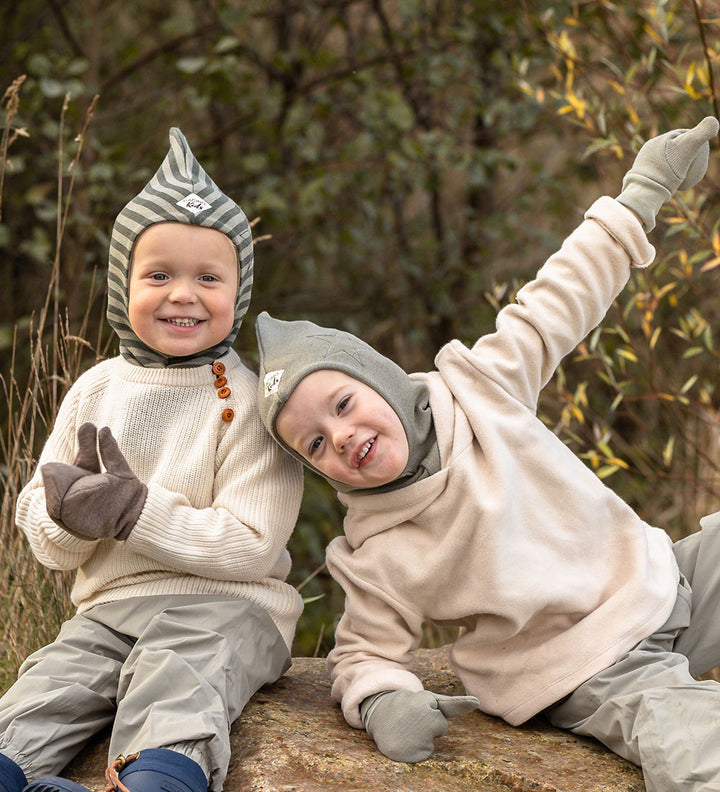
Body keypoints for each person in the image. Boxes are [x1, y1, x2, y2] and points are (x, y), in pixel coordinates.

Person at [254, 117, 720, 792]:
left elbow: (557, 301)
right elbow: (361, 652)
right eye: (316, 443)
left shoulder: (479, 387)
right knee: (688, 739)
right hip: (589, 667)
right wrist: (385, 701)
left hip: (662, 583)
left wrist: (641, 191)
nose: (342, 436)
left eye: (345, 404)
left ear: (381, 379)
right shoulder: (377, 550)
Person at [0, 128, 303, 792]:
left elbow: (252, 545)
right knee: (54, 679)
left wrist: (137, 512)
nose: (183, 295)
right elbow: (45, 532)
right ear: (122, 284)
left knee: (180, 670)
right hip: (108, 608)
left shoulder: (250, 400)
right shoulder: (98, 388)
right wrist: (72, 518)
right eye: (158, 275)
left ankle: (157, 781)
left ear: (239, 289)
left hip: (225, 606)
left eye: (208, 278)